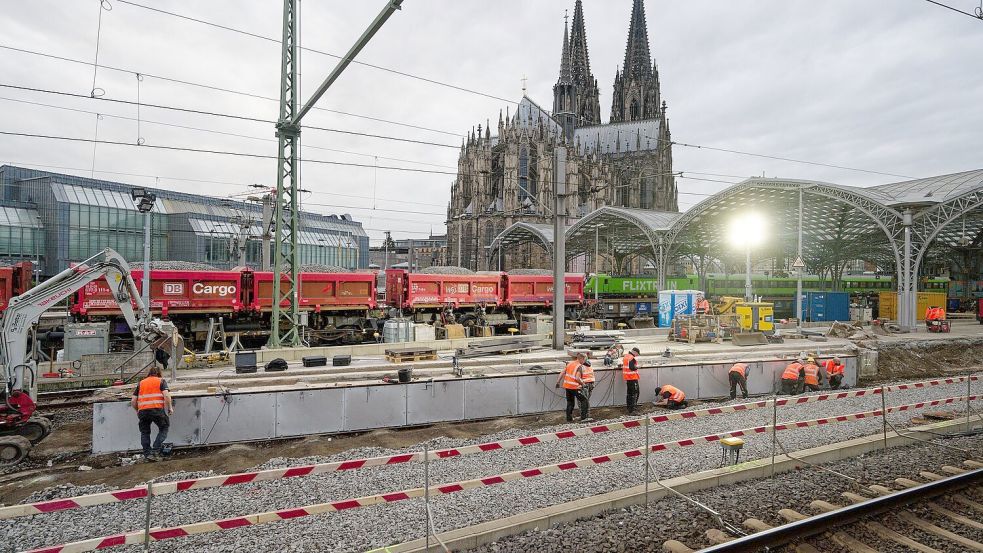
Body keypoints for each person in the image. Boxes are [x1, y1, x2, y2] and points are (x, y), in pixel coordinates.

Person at [131, 365, 173, 461]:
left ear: (149, 373)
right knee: (164, 427)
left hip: (143, 411)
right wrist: (170, 407)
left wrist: (137, 410)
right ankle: (155, 451)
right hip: (157, 410)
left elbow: (133, 400)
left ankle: (147, 454)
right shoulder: (161, 381)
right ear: (159, 373)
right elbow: (166, 395)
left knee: (145, 432)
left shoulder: (141, 383)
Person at [555, 353, 587, 422]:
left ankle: (569, 419)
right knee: (584, 401)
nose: (584, 361)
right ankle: (584, 417)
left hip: (567, 387)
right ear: (581, 359)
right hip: (575, 387)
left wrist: (558, 382)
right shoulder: (579, 366)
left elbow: (562, 373)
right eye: (584, 360)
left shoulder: (570, 364)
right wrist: (583, 384)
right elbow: (577, 378)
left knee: (570, 402)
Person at [622, 346, 641, 414]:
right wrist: (637, 367)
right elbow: (632, 367)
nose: (636, 355)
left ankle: (629, 408)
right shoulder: (631, 358)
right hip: (632, 378)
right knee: (635, 393)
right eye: (637, 354)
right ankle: (633, 410)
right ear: (635, 352)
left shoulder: (626, 356)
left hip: (628, 378)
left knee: (629, 393)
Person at [579, 355, 595, 422]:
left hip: (585, 384)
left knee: (582, 401)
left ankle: (584, 416)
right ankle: (587, 415)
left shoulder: (581, 366)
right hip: (591, 383)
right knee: (586, 400)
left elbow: (578, 377)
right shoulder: (590, 364)